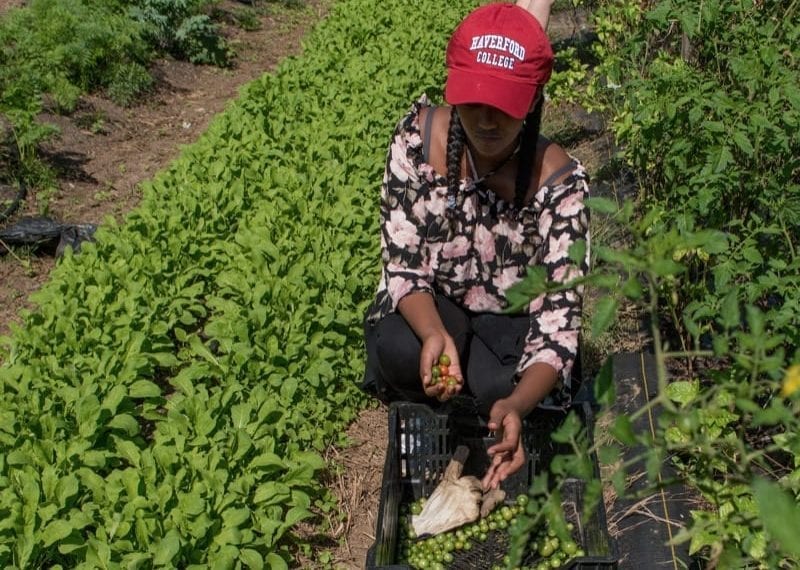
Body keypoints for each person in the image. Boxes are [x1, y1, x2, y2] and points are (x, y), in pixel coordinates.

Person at [361, 0, 590, 491]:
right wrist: (432, 336)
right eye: (473, 101)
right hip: (441, 304)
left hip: (510, 320)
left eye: (503, 106)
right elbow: (404, 268)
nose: (486, 120)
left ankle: (497, 414)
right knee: (398, 346)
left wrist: (517, 404)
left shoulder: (559, 184)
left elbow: (558, 326)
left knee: (498, 389)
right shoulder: (417, 142)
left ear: (532, 101)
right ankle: (431, 413)